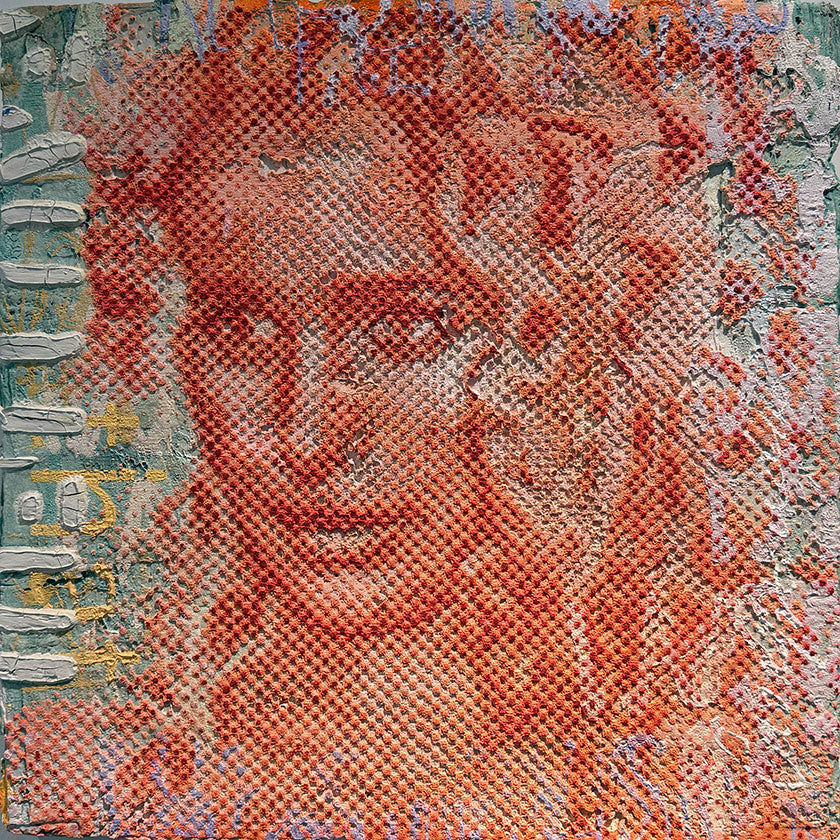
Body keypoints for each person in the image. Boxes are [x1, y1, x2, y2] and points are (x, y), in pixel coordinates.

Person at [51, 1, 791, 836]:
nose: (307, 440)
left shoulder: (690, 775)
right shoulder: (99, 773)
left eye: (405, 329)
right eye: (241, 333)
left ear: (556, 341)